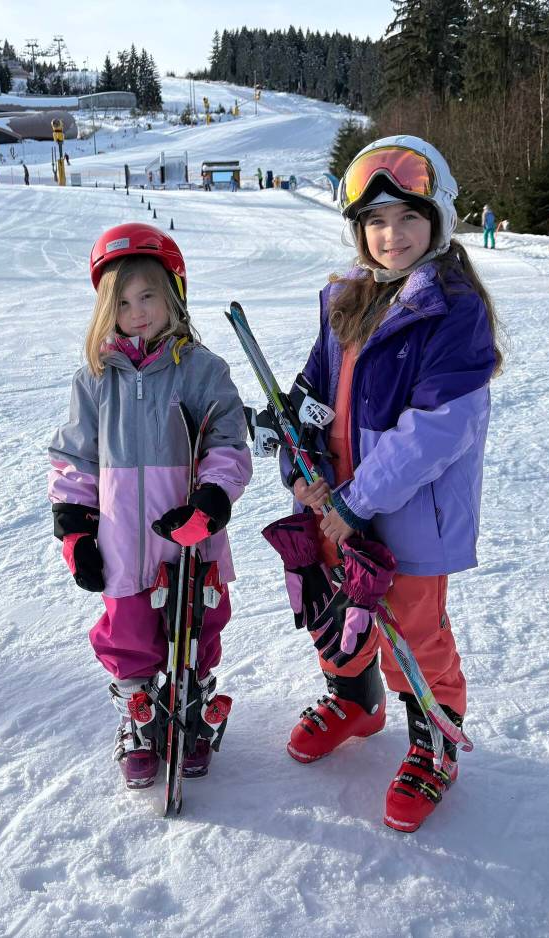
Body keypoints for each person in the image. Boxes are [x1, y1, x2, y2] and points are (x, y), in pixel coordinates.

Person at [267, 135, 503, 832]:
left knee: (412, 625)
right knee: (332, 609)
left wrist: (355, 500)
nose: (391, 235)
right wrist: (299, 458)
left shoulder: (453, 309)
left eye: (407, 217)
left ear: (438, 218)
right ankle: (354, 698)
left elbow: (437, 429)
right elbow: (311, 392)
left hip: (402, 512)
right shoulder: (345, 299)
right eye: (375, 222)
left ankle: (432, 742)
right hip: (333, 503)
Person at [48, 223, 252, 790]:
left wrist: (211, 501)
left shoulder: (202, 370)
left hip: (192, 536)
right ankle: (139, 713)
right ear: (105, 309)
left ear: (175, 296)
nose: (138, 312)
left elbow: (229, 443)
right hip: (122, 543)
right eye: (124, 301)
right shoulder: (93, 381)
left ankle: (192, 703)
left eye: (150, 297)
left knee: (199, 622)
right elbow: (74, 460)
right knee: (130, 630)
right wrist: (75, 530)